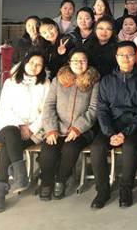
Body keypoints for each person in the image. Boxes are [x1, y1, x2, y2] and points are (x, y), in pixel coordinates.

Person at [90, 41, 137, 209]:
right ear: (116, 57)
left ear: (135, 57)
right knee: (97, 148)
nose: (126, 58)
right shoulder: (106, 81)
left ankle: (126, 189)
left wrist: (125, 133)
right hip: (111, 127)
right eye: (121, 55)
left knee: (130, 148)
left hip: (135, 127)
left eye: (129, 55)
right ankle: (102, 191)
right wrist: (110, 133)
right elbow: (102, 110)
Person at [0, 51, 50, 213]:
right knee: (11, 133)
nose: (35, 67)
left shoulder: (45, 84)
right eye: (32, 63)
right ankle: (20, 174)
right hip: (6, 125)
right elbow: (4, 108)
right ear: (24, 63)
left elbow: (46, 111)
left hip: (32, 131)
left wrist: (31, 128)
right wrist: (20, 125)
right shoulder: (10, 82)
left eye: (39, 64)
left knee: (7, 148)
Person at [39, 48, 99, 201]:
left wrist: (78, 128)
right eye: (75, 60)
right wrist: (51, 129)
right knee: (48, 150)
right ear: (69, 62)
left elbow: (94, 109)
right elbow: (49, 106)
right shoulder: (58, 80)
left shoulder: (94, 81)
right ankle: (46, 182)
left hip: (82, 130)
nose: (79, 63)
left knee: (70, 149)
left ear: (87, 62)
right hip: (58, 127)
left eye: (83, 60)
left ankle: (61, 179)